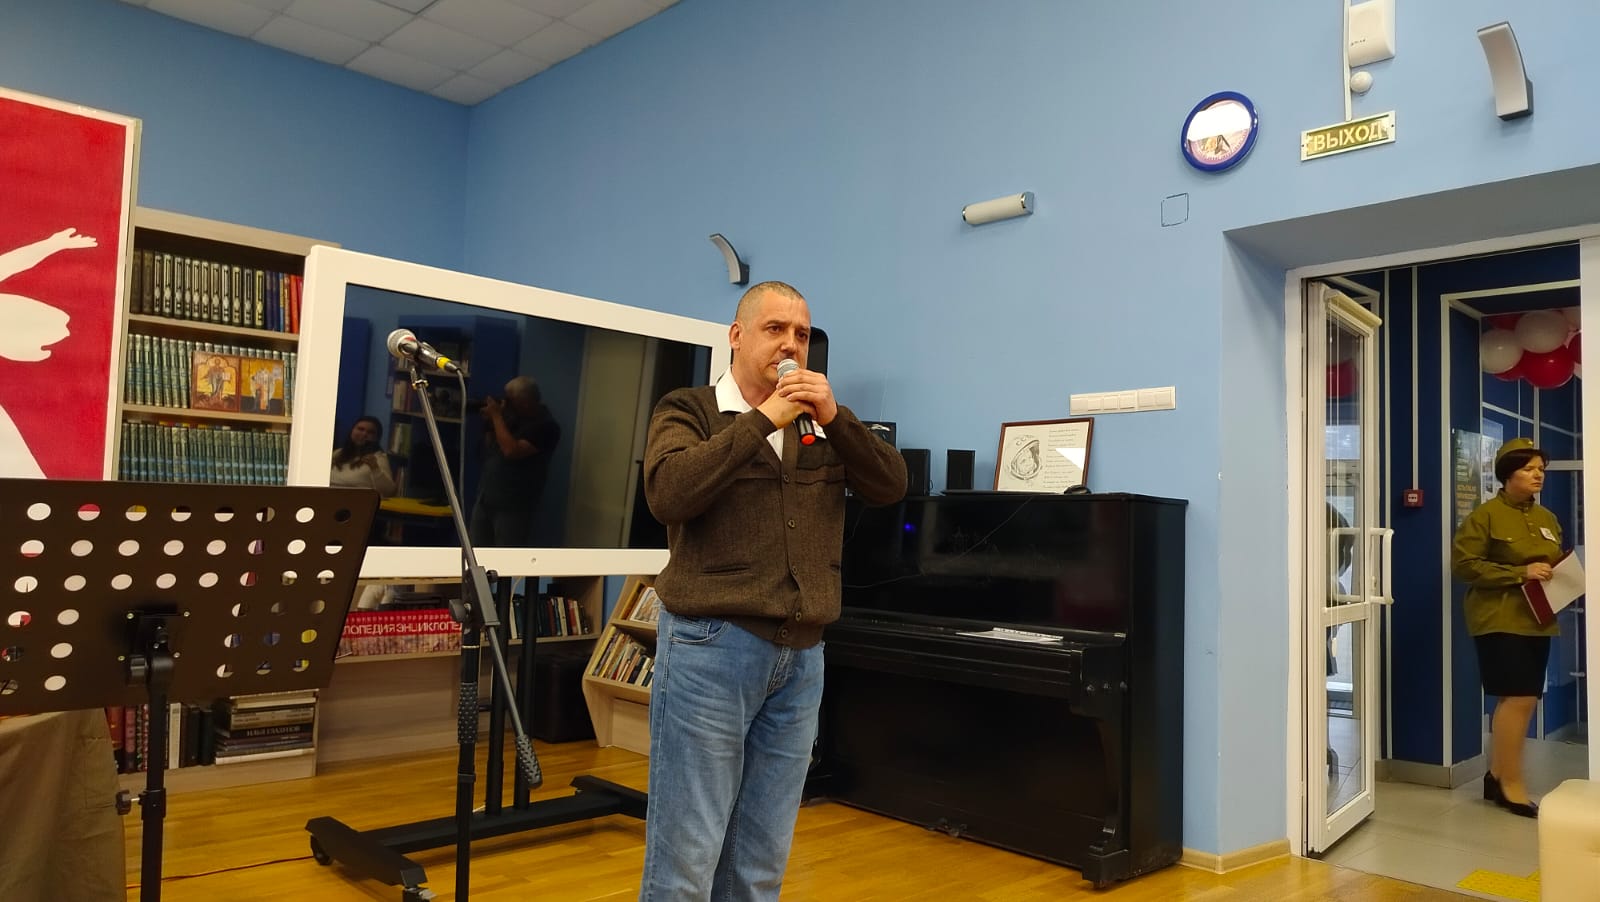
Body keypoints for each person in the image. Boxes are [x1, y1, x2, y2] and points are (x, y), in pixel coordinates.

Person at [638, 280, 907, 900]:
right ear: (737, 336)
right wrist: (763, 421)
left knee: (760, 857)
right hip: (712, 649)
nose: (791, 345)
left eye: (802, 334)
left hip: (802, 658)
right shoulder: (688, 409)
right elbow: (669, 494)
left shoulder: (822, 423)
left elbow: (890, 485)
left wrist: (835, 418)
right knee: (688, 855)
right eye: (775, 329)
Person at [1451, 436, 1560, 819]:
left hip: (1539, 619)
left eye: (1541, 469)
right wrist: (1519, 573)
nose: (1538, 475)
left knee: (1521, 699)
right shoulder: (1485, 516)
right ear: (1508, 473)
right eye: (1529, 469)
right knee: (1519, 698)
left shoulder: (1546, 519)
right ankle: (1511, 785)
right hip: (1499, 617)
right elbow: (1464, 565)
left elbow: (1552, 563)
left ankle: (1496, 776)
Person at [468, 376, 560, 547]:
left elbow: (511, 451)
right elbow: (490, 447)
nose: (507, 403)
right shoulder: (511, 418)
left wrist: (496, 416)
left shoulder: (546, 426)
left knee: (506, 556)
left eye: (511, 400)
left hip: (514, 505)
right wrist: (490, 423)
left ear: (525, 402)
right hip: (486, 497)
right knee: (476, 552)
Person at [330, 415, 398, 497]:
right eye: (360, 429)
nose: (364, 434)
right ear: (352, 431)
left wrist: (375, 468)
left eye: (370, 432)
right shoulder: (338, 453)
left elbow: (389, 491)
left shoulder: (378, 458)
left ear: (376, 438)